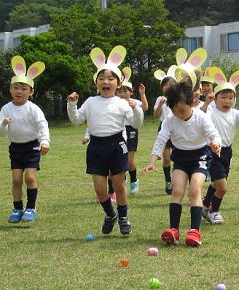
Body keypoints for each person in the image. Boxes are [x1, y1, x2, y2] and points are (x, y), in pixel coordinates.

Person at [68, 45, 143, 235]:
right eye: (101, 78)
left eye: (110, 78)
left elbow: (136, 123)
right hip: (96, 146)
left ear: (118, 83)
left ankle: (124, 217)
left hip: (117, 145)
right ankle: (111, 215)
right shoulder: (91, 102)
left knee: (119, 185)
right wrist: (72, 104)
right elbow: (77, 120)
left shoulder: (122, 103)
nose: (106, 81)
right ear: (96, 83)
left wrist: (136, 109)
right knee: (100, 189)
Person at [143, 78, 221, 246]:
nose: (178, 114)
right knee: (177, 190)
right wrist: (152, 161)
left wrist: (216, 144)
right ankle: (174, 230)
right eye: (174, 110)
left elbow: (213, 134)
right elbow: (161, 140)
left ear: (192, 103)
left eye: (182, 110)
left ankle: (195, 232)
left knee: (194, 190)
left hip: (200, 157)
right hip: (180, 158)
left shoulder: (201, 117)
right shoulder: (169, 120)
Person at [201, 67, 239, 224]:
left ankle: (205, 204)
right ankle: (214, 211)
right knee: (222, 187)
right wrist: (207, 103)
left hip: (227, 152)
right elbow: (202, 114)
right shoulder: (211, 110)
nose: (227, 101)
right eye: (223, 97)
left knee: (216, 183)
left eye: (230, 98)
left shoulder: (233, 113)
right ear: (216, 98)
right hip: (212, 152)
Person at [0, 55, 49, 223]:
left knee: (30, 178)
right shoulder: (6, 108)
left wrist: (45, 142)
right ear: (10, 89)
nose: (19, 91)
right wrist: (3, 124)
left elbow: (43, 125)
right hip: (15, 148)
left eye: (24, 88)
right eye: (16, 87)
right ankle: (17, 208)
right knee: (17, 179)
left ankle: (31, 208)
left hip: (32, 147)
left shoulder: (33, 109)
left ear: (31, 92)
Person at [117, 67, 149, 195]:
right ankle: (122, 183)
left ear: (131, 92)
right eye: (120, 91)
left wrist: (142, 94)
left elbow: (145, 107)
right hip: (118, 131)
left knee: (129, 161)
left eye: (126, 91)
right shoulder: (115, 103)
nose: (122, 94)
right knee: (119, 160)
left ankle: (134, 180)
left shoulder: (134, 102)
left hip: (131, 130)